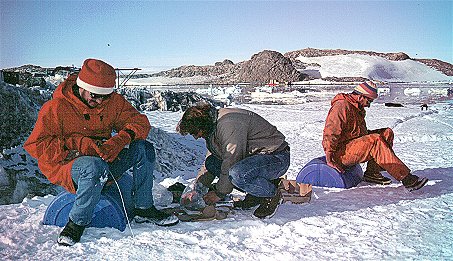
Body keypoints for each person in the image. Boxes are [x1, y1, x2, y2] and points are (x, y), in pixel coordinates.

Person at [24, 58, 178, 246]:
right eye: (95, 96)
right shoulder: (56, 108)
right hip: (68, 165)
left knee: (143, 149)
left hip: (103, 157)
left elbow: (140, 122)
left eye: (105, 96)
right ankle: (76, 223)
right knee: (92, 166)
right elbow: (35, 146)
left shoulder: (112, 102)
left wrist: (121, 139)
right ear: (82, 86)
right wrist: (77, 144)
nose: (99, 101)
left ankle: (143, 207)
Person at [176, 103, 290, 219]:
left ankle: (271, 193)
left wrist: (219, 193)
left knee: (237, 174)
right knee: (211, 163)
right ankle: (257, 193)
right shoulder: (212, 127)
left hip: (276, 157)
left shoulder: (228, 124)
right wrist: (198, 189)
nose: (196, 137)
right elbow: (213, 158)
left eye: (195, 132)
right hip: (255, 160)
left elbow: (231, 159)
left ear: (202, 125)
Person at [322, 81, 428, 191]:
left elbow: (356, 132)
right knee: (375, 140)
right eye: (369, 100)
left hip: (351, 145)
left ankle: (372, 173)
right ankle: (407, 178)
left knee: (386, 133)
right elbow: (330, 132)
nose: (368, 104)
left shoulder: (355, 106)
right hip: (340, 153)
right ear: (359, 96)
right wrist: (330, 157)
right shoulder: (341, 106)